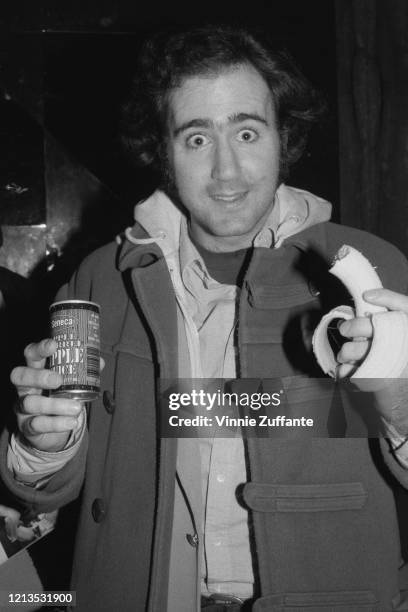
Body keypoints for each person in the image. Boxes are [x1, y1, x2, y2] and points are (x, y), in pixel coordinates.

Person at [2, 25, 408, 612]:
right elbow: (46, 493)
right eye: (196, 139)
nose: (226, 170)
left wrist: (397, 403)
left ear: (283, 136)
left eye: (247, 131)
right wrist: (44, 440)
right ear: (163, 151)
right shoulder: (100, 280)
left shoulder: (371, 271)